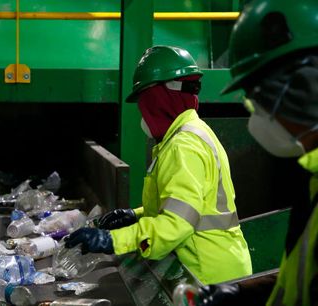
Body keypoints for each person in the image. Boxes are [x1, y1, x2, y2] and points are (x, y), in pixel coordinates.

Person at [65, 45, 252, 285]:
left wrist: (113, 240)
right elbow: (187, 205)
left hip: (208, 275)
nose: (142, 111)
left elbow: (176, 224)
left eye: (143, 100)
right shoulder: (194, 132)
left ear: (158, 97)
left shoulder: (182, 146)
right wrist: (135, 214)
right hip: (217, 265)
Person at [195, 0, 318, 305]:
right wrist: (242, 291)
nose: (257, 115)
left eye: (258, 100)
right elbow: (303, 277)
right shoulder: (312, 175)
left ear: (304, 87)